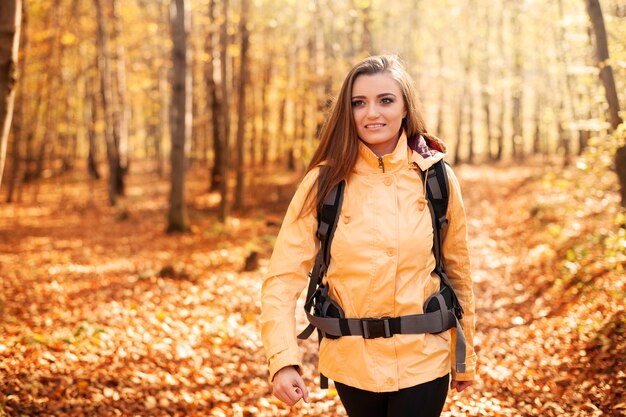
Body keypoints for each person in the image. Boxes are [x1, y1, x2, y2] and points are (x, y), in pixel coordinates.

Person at [260, 55, 476, 417]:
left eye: (385, 100)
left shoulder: (436, 178)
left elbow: (458, 272)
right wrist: (282, 359)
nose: (371, 113)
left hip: (424, 357)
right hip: (350, 361)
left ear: (405, 107)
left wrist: (464, 354)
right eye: (359, 103)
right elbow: (282, 279)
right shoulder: (323, 183)